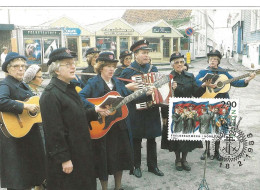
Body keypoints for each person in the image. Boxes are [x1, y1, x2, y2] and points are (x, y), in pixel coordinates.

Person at [39, 48, 105, 190]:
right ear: (56, 70)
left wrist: (95, 111)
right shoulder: (51, 95)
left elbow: (76, 117)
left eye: (73, 63)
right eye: (67, 64)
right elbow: (54, 131)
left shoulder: (70, 89)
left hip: (81, 152)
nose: (73, 66)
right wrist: (64, 159)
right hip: (68, 158)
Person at [79, 51, 135, 190]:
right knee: (103, 159)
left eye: (113, 66)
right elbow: (80, 97)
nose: (111, 69)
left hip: (119, 125)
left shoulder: (117, 82)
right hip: (103, 128)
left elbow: (127, 95)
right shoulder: (93, 82)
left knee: (120, 158)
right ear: (101, 67)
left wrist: (145, 91)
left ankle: (118, 186)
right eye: (108, 66)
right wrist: (95, 107)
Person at [195, 49, 255, 160]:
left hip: (222, 102)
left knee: (220, 126)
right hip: (209, 100)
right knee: (208, 126)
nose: (212, 61)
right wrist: (203, 84)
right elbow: (195, 82)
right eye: (210, 59)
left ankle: (217, 151)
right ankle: (207, 150)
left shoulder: (223, 72)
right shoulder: (203, 72)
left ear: (218, 61)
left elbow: (235, 81)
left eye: (214, 59)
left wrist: (247, 80)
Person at [0, 52, 46, 190]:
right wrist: (25, 106)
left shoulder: (22, 84)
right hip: (15, 140)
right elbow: (1, 100)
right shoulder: (6, 83)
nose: (21, 69)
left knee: (27, 178)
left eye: (23, 66)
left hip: (27, 137)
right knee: (18, 180)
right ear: (8, 69)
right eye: (16, 66)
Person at [119, 40, 164, 178]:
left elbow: (160, 86)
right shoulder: (127, 71)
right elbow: (120, 91)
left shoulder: (153, 69)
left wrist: (158, 90)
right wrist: (129, 88)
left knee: (152, 139)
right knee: (136, 139)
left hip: (151, 109)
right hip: (135, 110)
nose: (146, 55)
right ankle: (136, 166)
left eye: (147, 53)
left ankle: (153, 166)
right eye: (143, 53)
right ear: (136, 55)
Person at [161, 52, 211, 171]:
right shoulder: (167, 78)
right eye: (177, 62)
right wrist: (164, 115)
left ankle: (184, 159)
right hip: (174, 111)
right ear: (172, 65)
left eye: (181, 62)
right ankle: (177, 159)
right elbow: (163, 98)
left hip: (189, 110)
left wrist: (203, 86)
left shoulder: (190, 76)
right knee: (176, 136)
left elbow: (196, 94)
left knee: (187, 136)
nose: (179, 64)